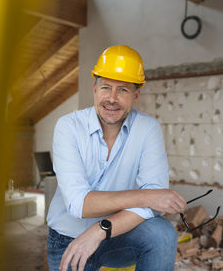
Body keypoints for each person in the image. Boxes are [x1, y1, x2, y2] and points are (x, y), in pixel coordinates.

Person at [46, 45, 187, 271]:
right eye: (106, 87)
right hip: (68, 240)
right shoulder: (68, 127)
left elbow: (153, 206)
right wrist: (147, 196)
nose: (112, 98)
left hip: (116, 235)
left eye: (122, 90)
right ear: (94, 89)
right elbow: (78, 204)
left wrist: (100, 230)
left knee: (161, 233)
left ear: (135, 95)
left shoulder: (148, 129)